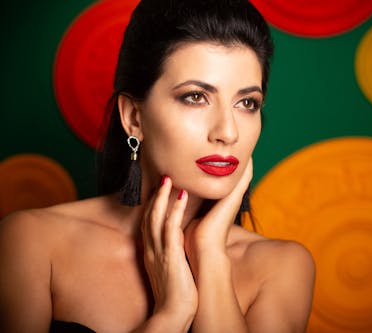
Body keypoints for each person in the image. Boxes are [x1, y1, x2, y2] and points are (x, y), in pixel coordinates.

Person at [0, 0, 315, 332]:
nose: (228, 131)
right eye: (196, 97)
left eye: (247, 103)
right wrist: (172, 313)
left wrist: (210, 258)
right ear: (134, 118)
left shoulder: (282, 267)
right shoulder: (32, 243)